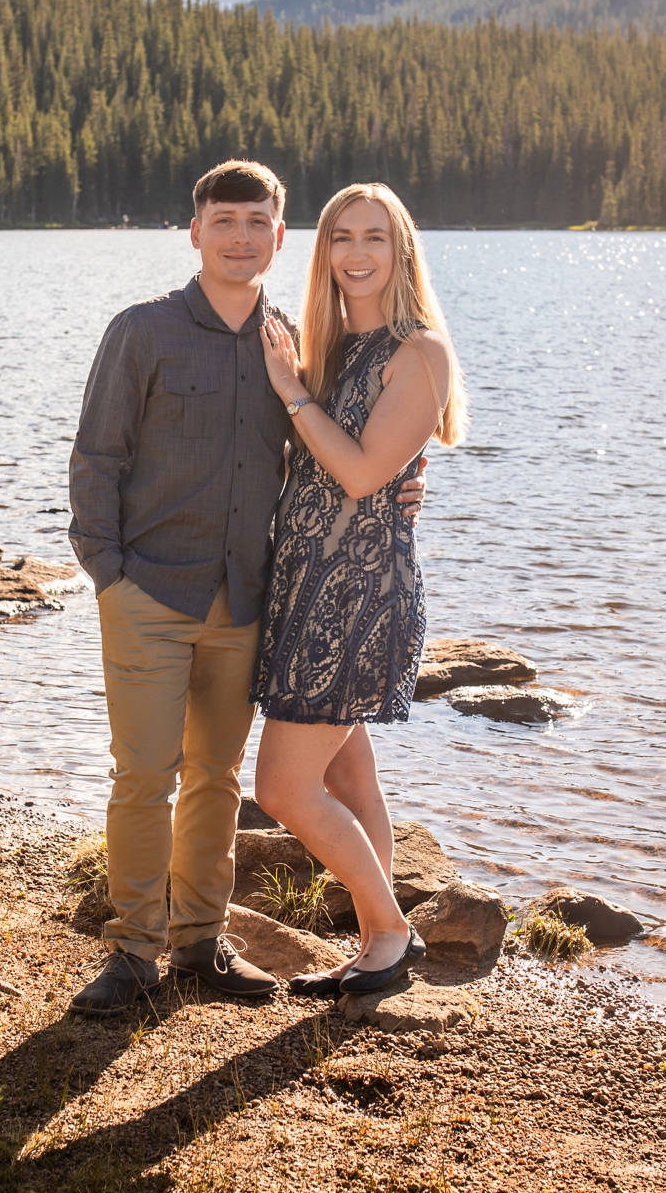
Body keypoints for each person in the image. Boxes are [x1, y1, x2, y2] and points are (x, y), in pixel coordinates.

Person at [65, 159, 425, 1016]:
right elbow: (96, 459)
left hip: (246, 601)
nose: (238, 237)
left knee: (220, 776)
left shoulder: (291, 345)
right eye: (222, 221)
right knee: (143, 775)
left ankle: (200, 940)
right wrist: (107, 574)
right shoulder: (141, 331)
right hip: (147, 592)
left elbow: (343, 447)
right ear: (195, 231)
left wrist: (406, 480)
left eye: (256, 222)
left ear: (277, 236)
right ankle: (134, 950)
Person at [252, 182, 465, 997]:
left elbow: (362, 471)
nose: (357, 253)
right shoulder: (327, 346)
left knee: (279, 788)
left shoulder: (421, 351)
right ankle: (379, 941)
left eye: (375, 236)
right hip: (303, 586)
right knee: (347, 780)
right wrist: (296, 380)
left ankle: (389, 932)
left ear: (401, 249)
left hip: (358, 597)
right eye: (341, 236)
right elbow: (312, 462)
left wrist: (290, 388)